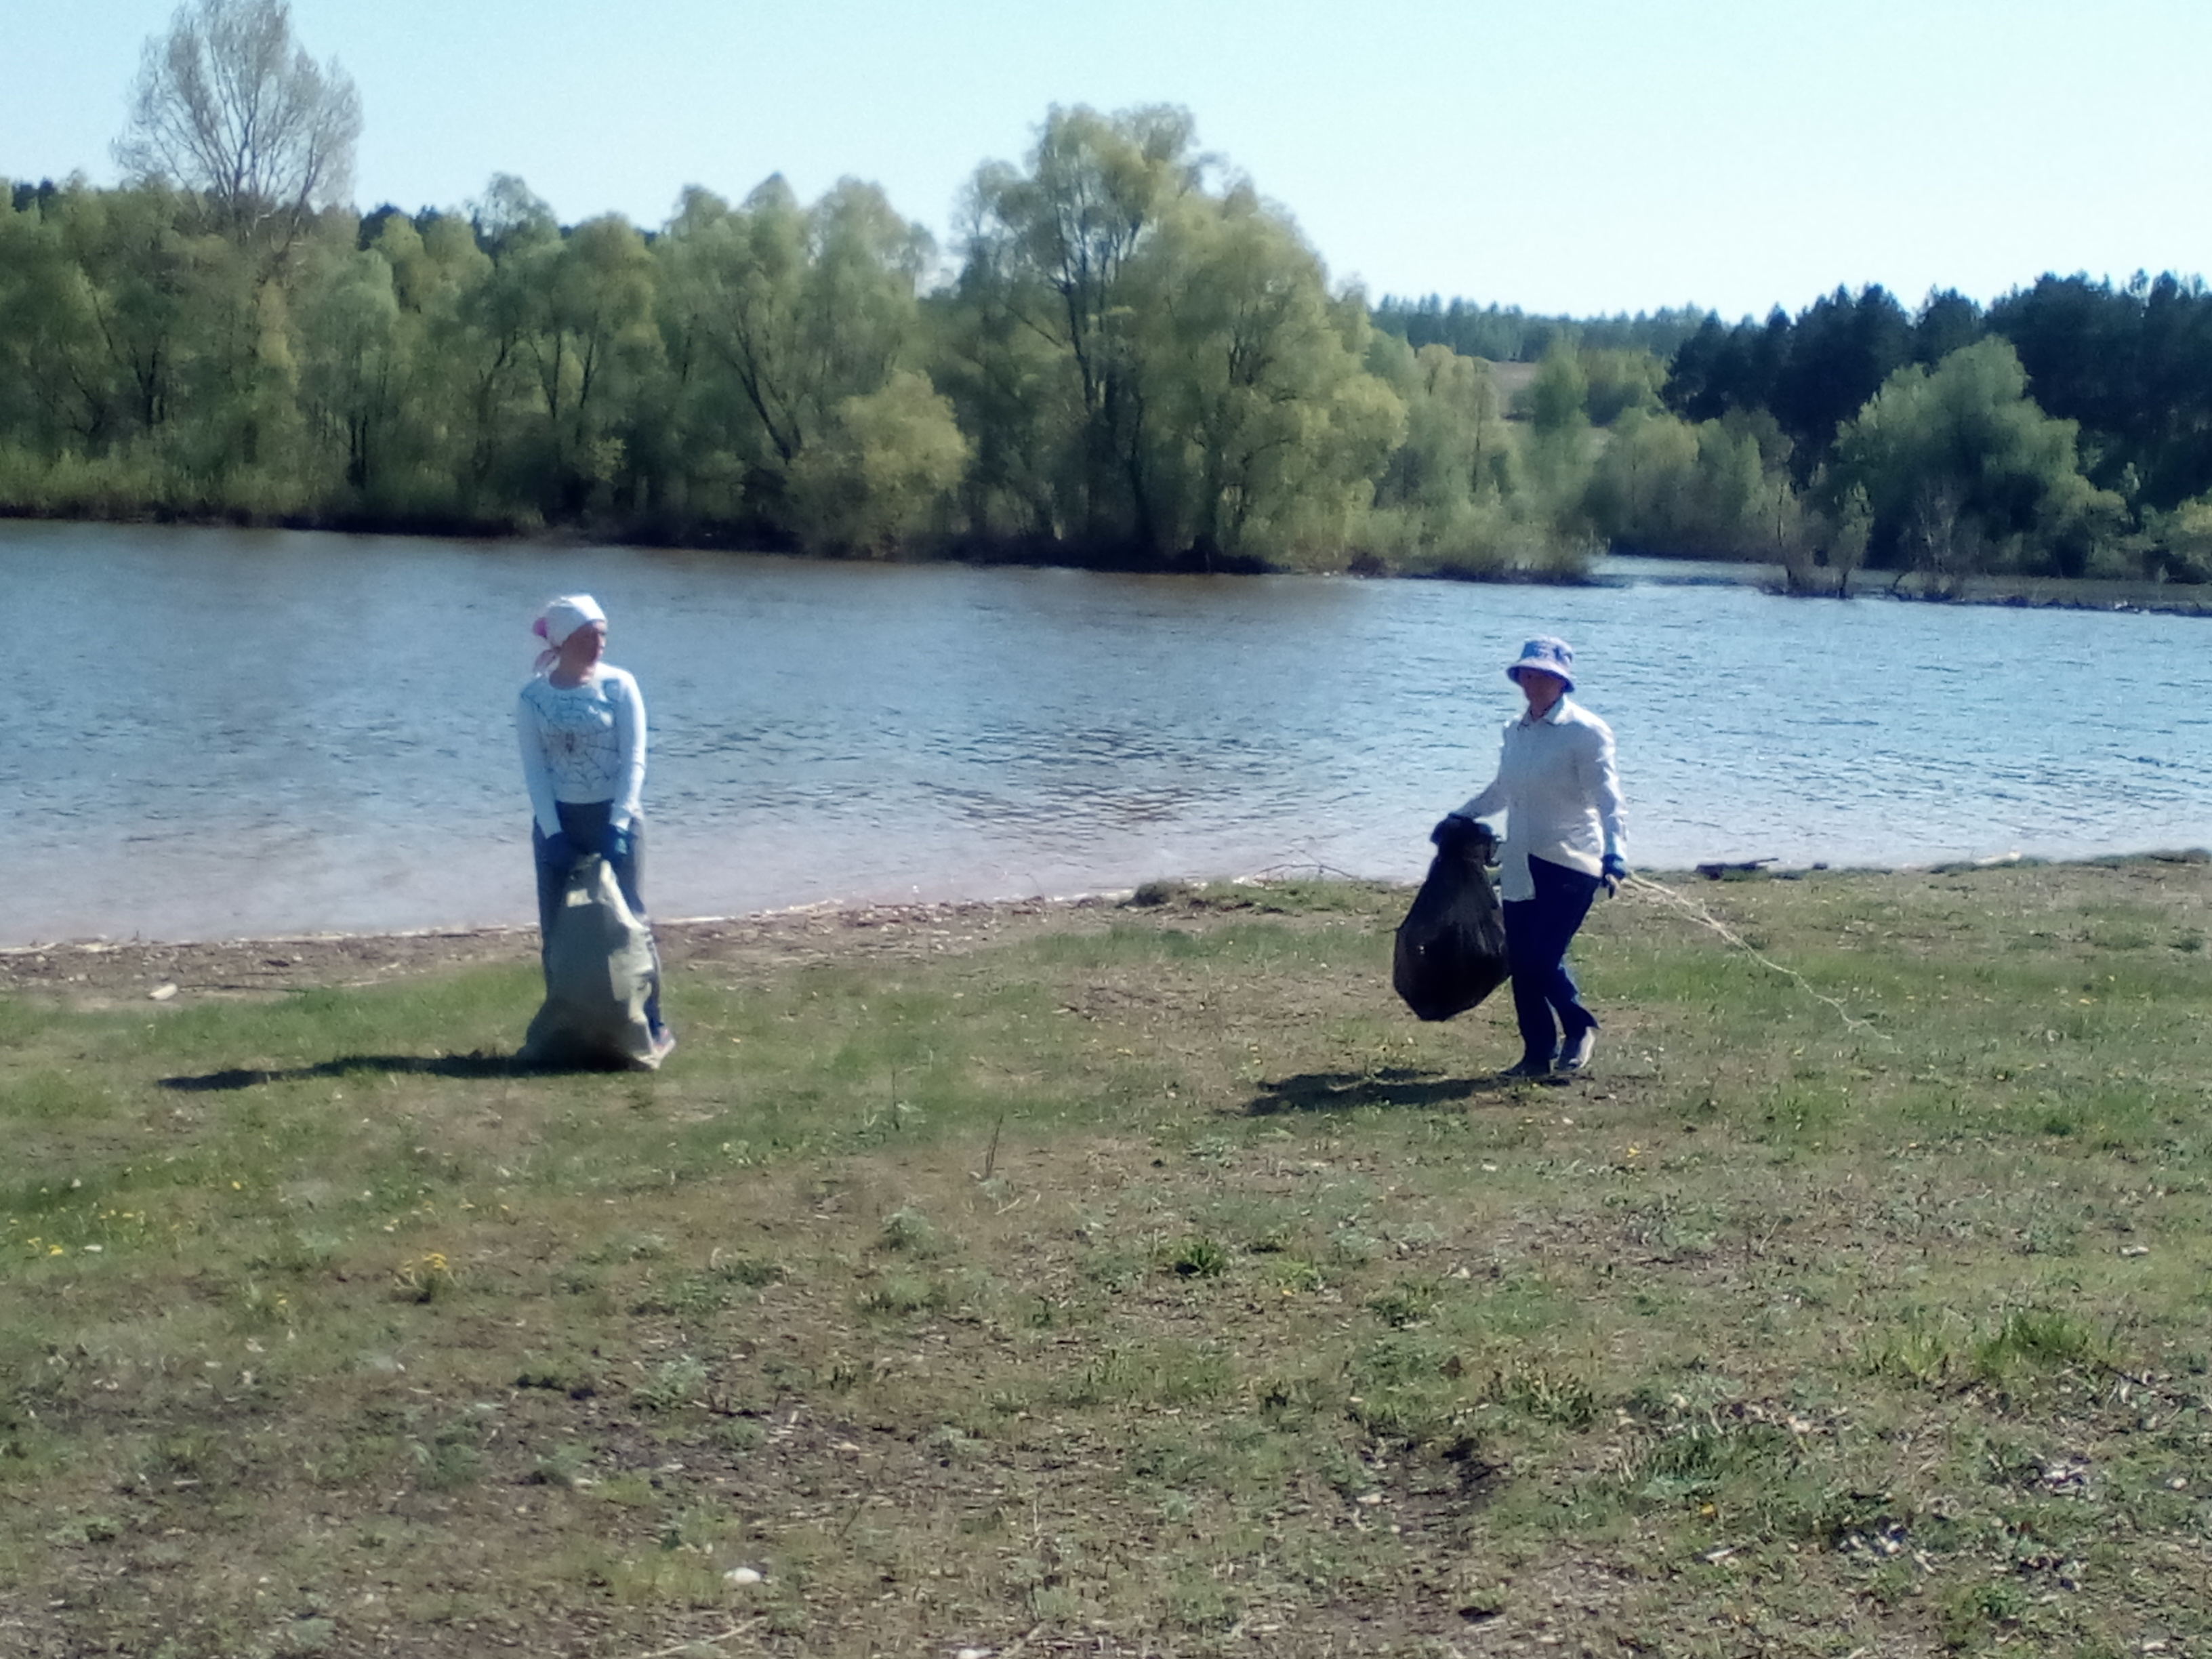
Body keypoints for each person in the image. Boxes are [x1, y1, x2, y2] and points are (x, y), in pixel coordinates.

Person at [1433, 636, 1626, 1079]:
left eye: (1544, 675)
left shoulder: (1586, 731)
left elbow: (1608, 798)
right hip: (1520, 861)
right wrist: (1460, 816)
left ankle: (1578, 1026)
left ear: (1562, 682)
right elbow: (1503, 790)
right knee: (1521, 962)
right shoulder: (1514, 731)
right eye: (1528, 673)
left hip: (1571, 862)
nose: (1534, 682)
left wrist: (1615, 854)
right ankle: (1536, 1056)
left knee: (1541, 958)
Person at [517, 594, 670, 1057]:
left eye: (602, 634)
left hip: (614, 818)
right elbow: (535, 771)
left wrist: (619, 823)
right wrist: (554, 833)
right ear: (564, 640)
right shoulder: (533, 698)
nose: (599, 643)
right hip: (558, 822)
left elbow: (634, 759)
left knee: (629, 923)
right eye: (589, 635)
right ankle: (566, 1028)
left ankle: (647, 1023)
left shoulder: (621, 686)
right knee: (557, 930)